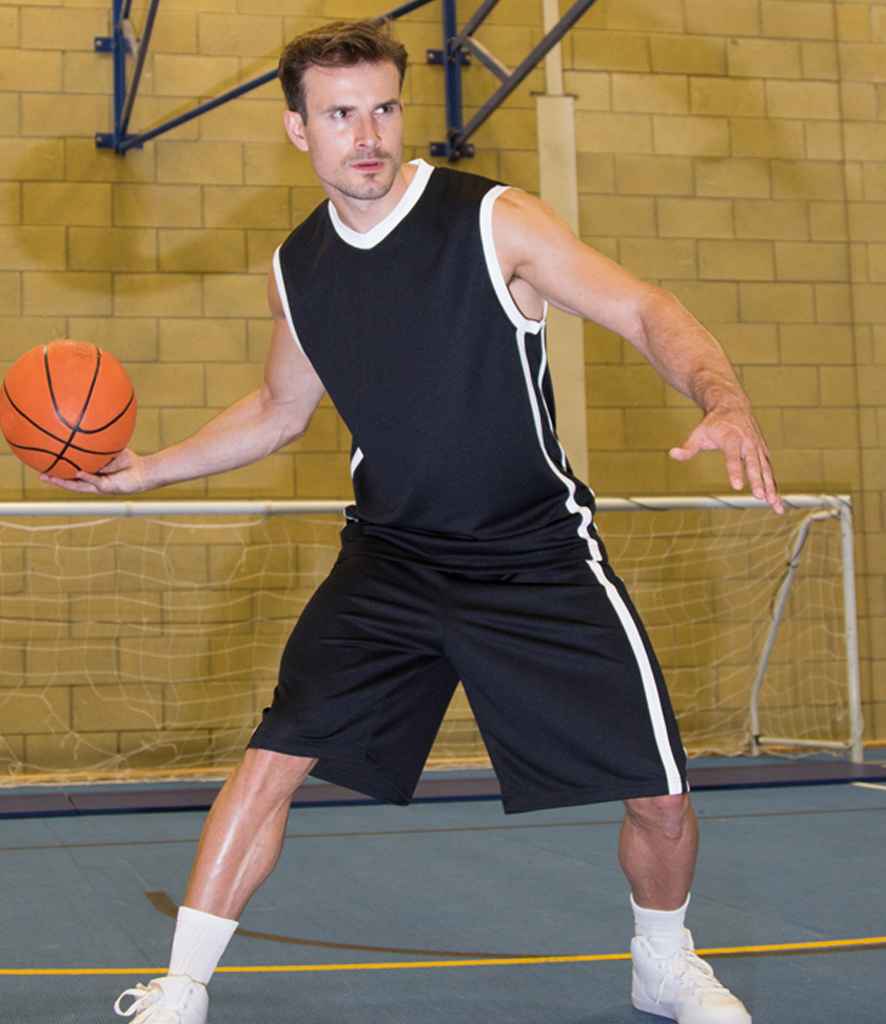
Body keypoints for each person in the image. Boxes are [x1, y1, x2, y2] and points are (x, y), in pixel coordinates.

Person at [46, 19, 781, 1024]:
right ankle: (180, 988)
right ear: (298, 128)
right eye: (340, 114)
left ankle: (663, 960)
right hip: (391, 558)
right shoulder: (298, 267)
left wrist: (722, 397)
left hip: (533, 552)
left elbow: (643, 310)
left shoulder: (494, 222)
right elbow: (278, 410)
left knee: (658, 792)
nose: (368, 134)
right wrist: (146, 471)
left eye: (384, 108)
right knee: (271, 762)